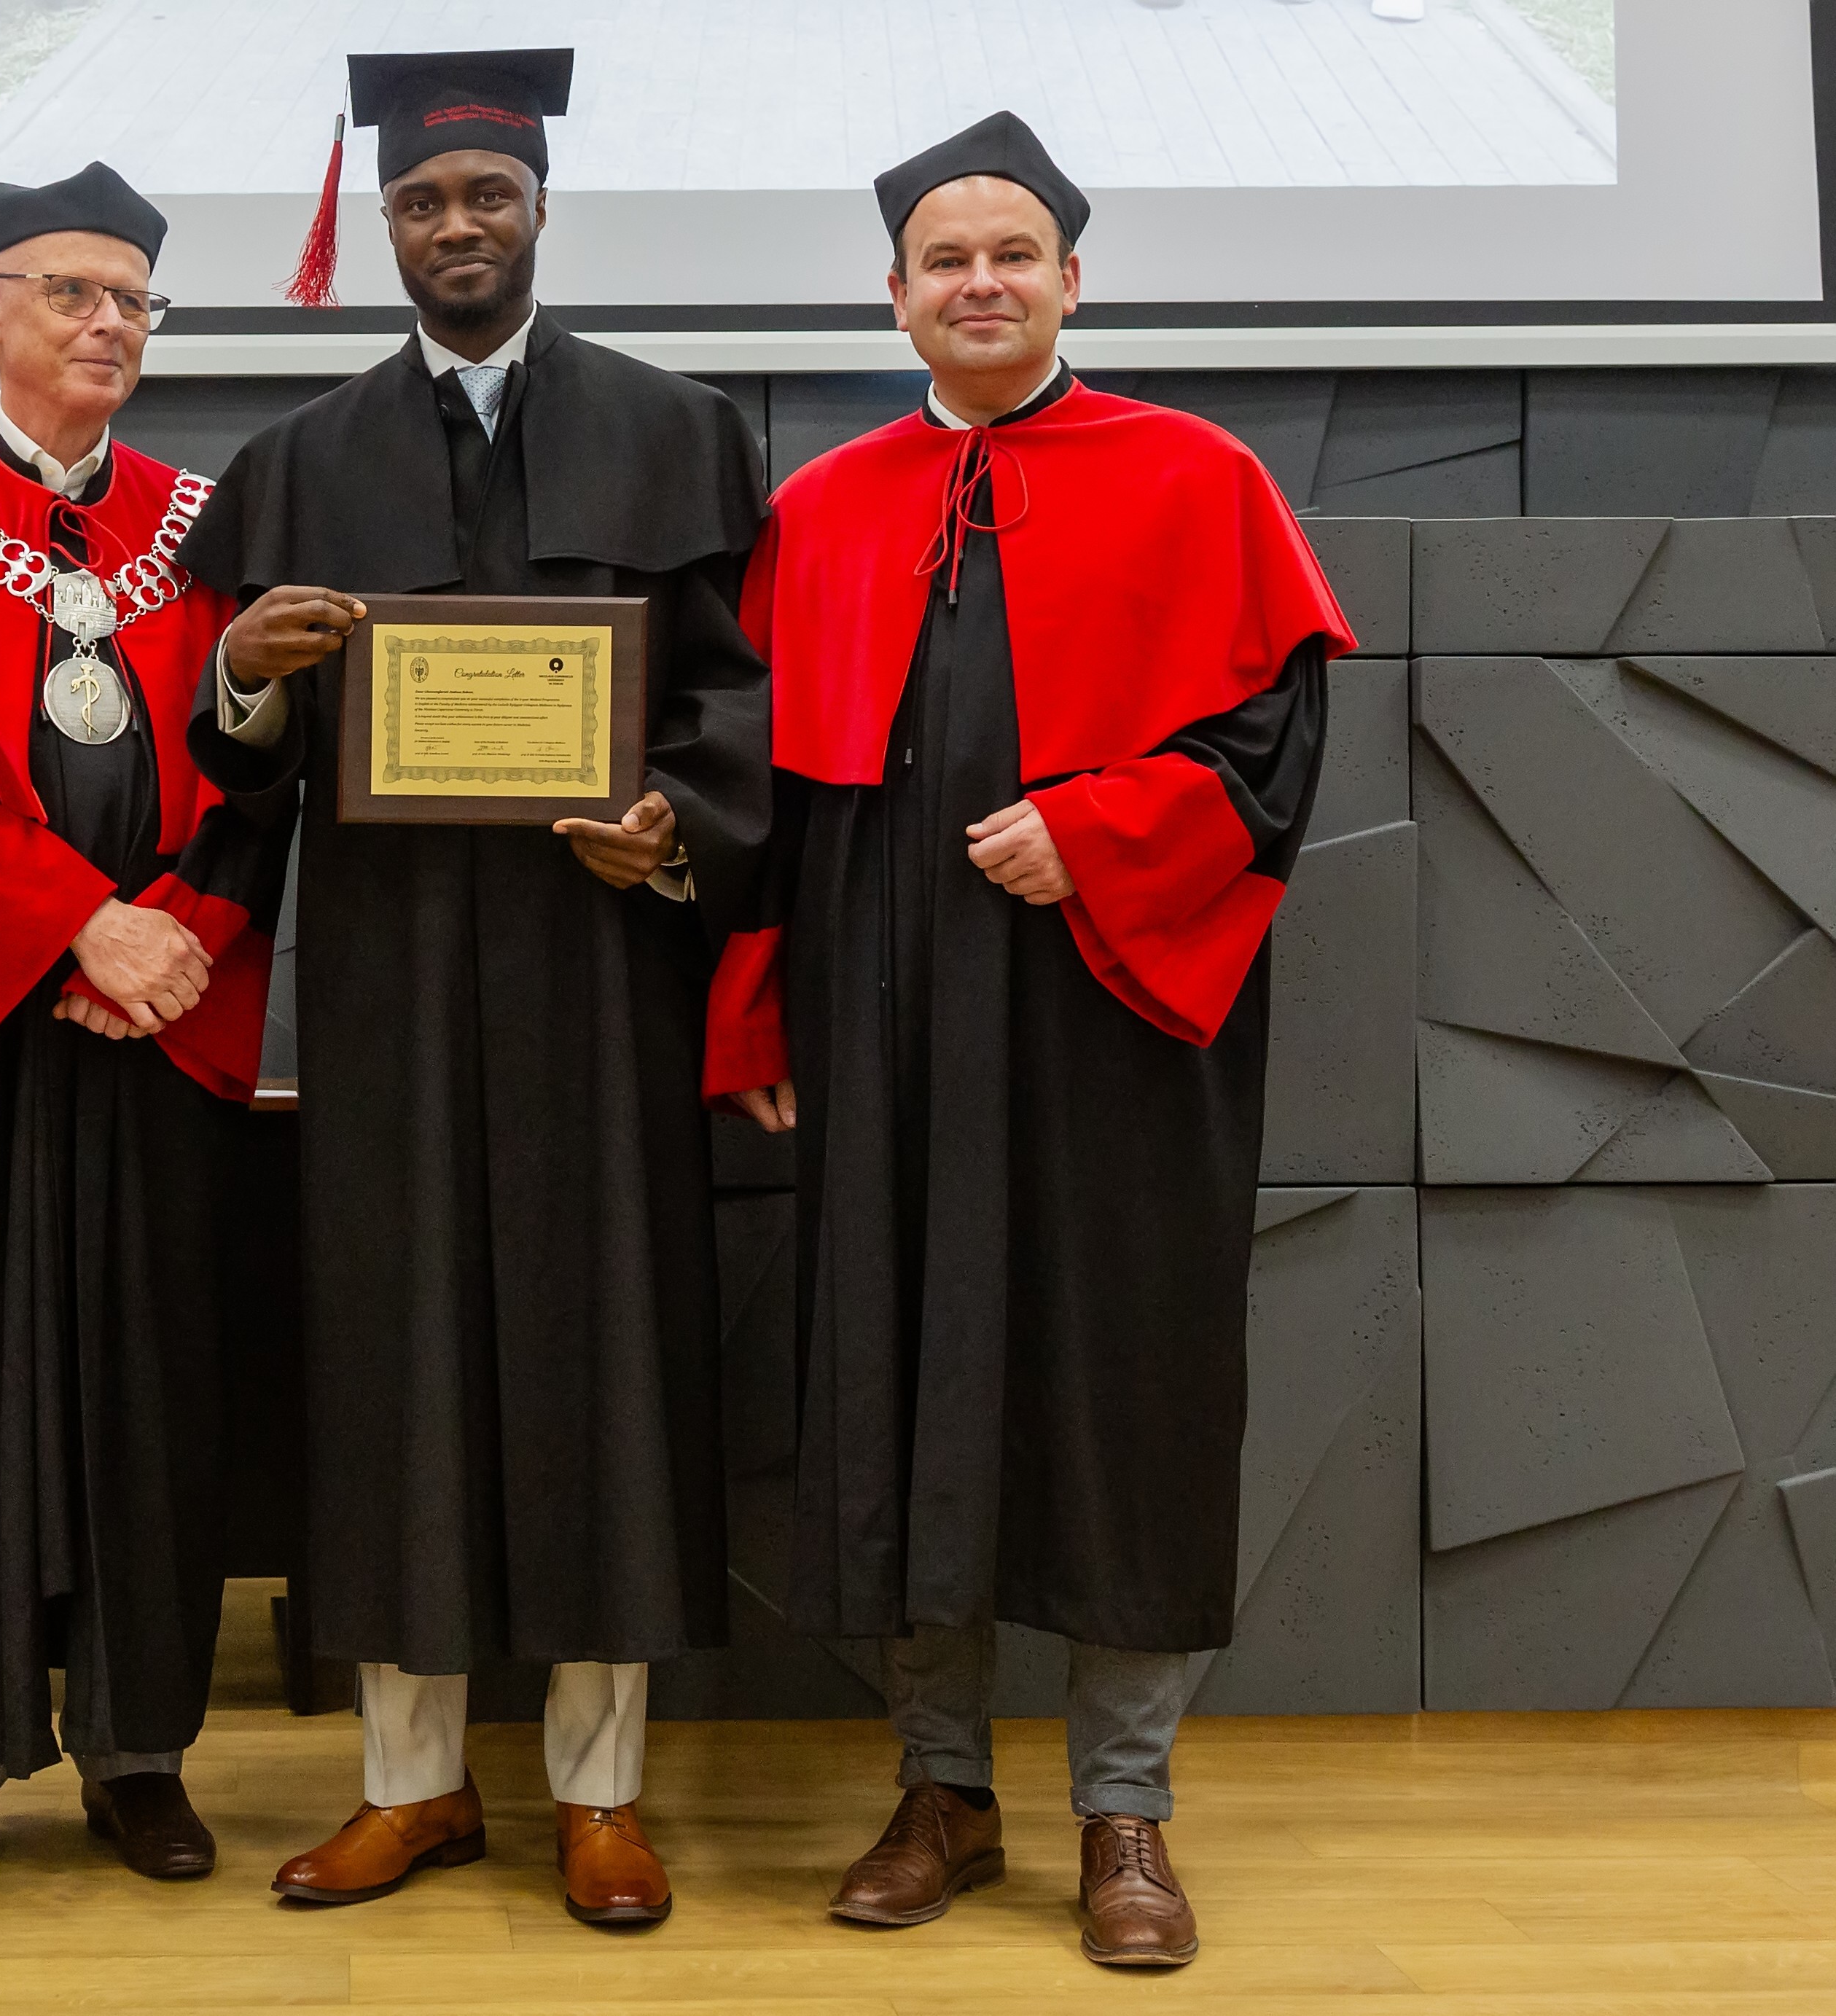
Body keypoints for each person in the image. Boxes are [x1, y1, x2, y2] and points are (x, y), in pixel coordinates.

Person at [707, 112, 1349, 1969]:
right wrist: (755, 1006)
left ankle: (1123, 1812)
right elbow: (769, 801)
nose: (976, 282)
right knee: (900, 1372)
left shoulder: (1196, 477)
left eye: (1010, 256)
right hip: (885, 1012)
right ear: (893, 294)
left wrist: (1101, 831)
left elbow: (1270, 754)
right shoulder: (823, 508)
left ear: (1071, 279)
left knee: (1121, 1388)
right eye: (943, 260)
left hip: (1111, 1019)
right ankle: (940, 1790)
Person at [179, 49, 770, 1928]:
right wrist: (246, 677)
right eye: (423, 201)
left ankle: (598, 1792)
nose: (456, 226)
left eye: (486, 197)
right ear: (384, 225)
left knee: (606, 1348)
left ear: (536, 211)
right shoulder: (293, 465)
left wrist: (670, 823)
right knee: (395, 1354)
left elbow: (736, 703)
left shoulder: (679, 433)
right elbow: (232, 761)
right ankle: (409, 1784)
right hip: (389, 983)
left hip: (599, 972)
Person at [0, 160, 296, 1899]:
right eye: (70, 292)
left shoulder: (206, 523)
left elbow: (255, 772)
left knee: (155, 1381)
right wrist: (72, 924)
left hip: (153, 1025)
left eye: (132, 301)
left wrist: (178, 942)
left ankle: (139, 1748)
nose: (106, 323)